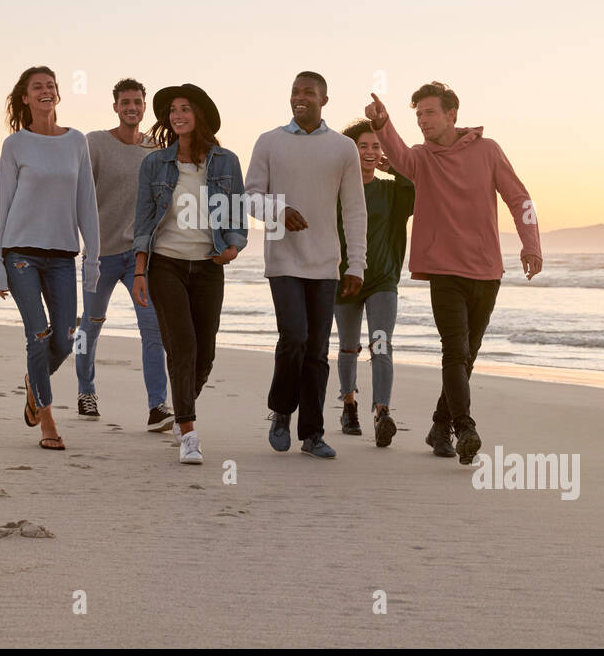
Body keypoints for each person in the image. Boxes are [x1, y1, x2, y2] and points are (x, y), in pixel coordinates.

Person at [365, 82, 542, 464]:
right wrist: (383, 124)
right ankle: (465, 427)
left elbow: (519, 197)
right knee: (455, 352)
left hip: (486, 270)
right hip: (444, 270)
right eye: (418, 115)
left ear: (452, 115)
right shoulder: (420, 159)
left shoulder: (488, 150)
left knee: (468, 355)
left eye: (429, 112)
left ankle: (437, 427)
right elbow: (397, 153)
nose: (423, 121)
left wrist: (531, 243)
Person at [244, 71, 367, 459]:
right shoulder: (269, 142)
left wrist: (356, 264)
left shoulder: (343, 148)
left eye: (309, 92)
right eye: (295, 91)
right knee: (294, 336)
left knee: (317, 349)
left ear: (324, 100)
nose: (300, 98)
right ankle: (282, 410)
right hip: (283, 260)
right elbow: (249, 198)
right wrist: (279, 209)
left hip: (325, 262)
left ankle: (312, 434)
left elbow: (354, 210)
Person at [131, 84, 247, 465]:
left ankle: (182, 408)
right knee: (181, 348)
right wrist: (139, 271)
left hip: (209, 266)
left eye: (185, 109)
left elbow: (235, 215)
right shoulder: (154, 164)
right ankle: (189, 433)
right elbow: (144, 221)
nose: (177, 115)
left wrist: (233, 246)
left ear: (199, 115)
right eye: (172, 111)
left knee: (204, 353)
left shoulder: (227, 161)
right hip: (166, 264)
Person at [0, 65, 101, 451]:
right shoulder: (15, 145)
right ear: (25, 97)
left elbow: (86, 203)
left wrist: (94, 259)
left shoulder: (76, 142)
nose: (45, 91)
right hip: (20, 253)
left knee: (67, 338)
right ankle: (47, 419)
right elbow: (4, 206)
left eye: (51, 86)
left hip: (61, 256)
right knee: (37, 335)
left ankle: (32, 384)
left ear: (58, 94)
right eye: (37, 87)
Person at [77, 78, 174, 431]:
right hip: (100, 255)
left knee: (153, 331)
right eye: (125, 102)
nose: (132, 107)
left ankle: (157, 407)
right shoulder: (96, 143)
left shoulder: (155, 149)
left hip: (139, 257)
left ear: (144, 107)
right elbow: (79, 193)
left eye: (137, 102)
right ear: (115, 107)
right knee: (90, 326)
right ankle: (85, 391)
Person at [334, 118, 415, 447]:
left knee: (381, 345)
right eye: (362, 145)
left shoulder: (390, 190)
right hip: (344, 279)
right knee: (348, 348)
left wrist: (394, 166)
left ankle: (382, 413)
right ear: (350, 150)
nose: (369, 152)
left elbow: (415, 184)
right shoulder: (336, 190)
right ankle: (349, 406)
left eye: (376, 146)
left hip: (382, 280)